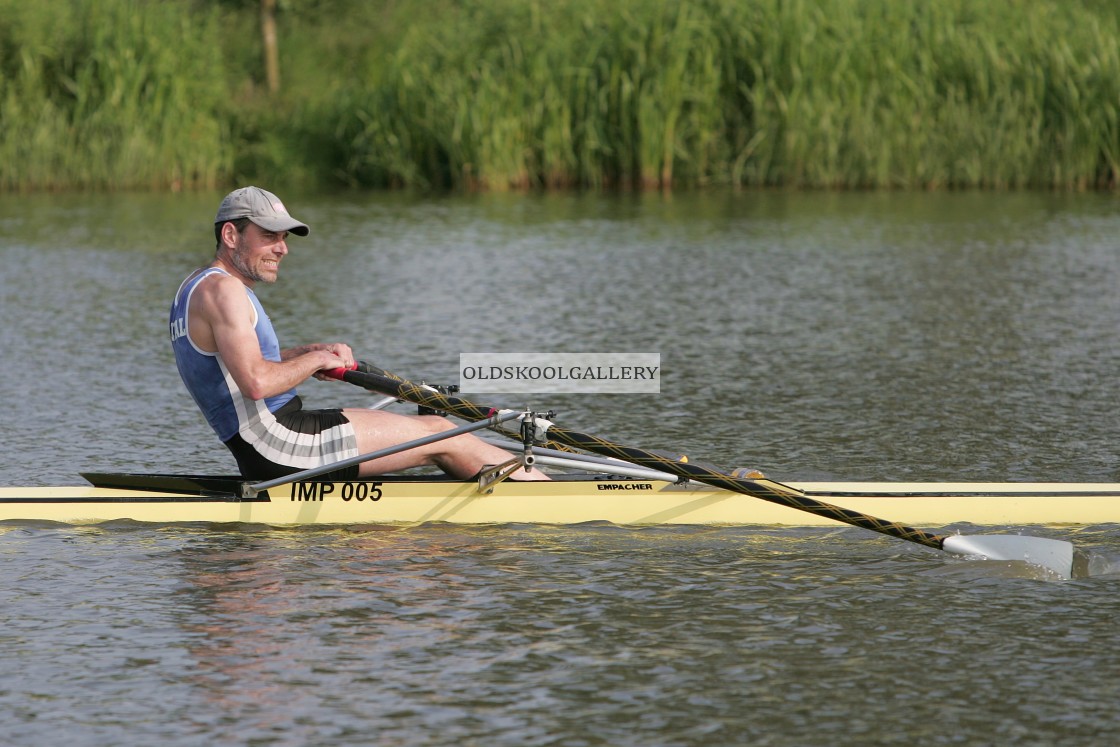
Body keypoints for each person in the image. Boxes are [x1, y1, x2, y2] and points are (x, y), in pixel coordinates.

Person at [170, 186, 548, 482]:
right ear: (231, 234)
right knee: (441, 433)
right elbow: (254, 382)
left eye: (285, 237)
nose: (283, 248)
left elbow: (235, 365)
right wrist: (317, 361)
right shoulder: (225, 291)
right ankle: (549, 498)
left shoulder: (195, 286)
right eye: (270, 234)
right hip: (279, 444)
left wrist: (309, 352)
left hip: (268, 442)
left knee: (431, 430)